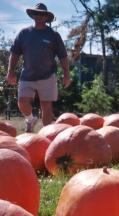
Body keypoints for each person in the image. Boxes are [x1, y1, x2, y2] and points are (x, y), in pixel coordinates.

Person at [6, 3, 71, 132]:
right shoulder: (24, 34)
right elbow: (14, 54)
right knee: (22, 102)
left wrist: (66, 75)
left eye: (42, 14)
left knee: (46, 106)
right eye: (37, 13)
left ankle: (47, 135)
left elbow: (63, 56)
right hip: (27, 75)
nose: (39, 16)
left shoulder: (53, 35)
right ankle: (30, 119)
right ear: (33, 15)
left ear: (47, 17)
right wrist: (10, 72)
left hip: (47, 76)